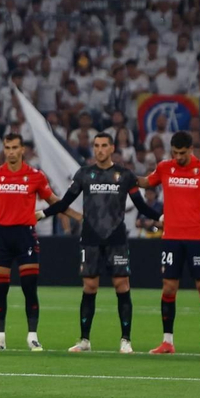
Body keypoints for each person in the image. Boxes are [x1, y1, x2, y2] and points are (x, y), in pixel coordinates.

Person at [41, 132, 153, 353]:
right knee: (89, 287)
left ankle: (126, 340)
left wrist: (159, 218)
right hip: (90, 237)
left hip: (117, 238)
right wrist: (43, 213)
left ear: (112, 148)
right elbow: (64, 202)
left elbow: (139, 204)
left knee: (122, 286)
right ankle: (84, 340)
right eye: (96, 145)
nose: (100, 149)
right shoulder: (84, 174)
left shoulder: (124, 175)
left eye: (104, 145)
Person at [0, 134, 56, 351]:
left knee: (29, 288)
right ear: (4, 150)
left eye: (15, 147)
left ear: (22, 149)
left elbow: (52, 200)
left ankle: (32, 336)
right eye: (7, 147)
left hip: (25, 236)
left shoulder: (35, 176)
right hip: (1, 235)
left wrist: (72, 213)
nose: (11, 151)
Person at [141, 131, 200, 355]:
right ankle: (167, 341)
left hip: (198, 237)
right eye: (175, 153)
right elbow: (147, 182)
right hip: (171, 238)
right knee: (169, 287)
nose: (178, 157)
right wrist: (122, 175)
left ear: (191, 150)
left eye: (182, 153)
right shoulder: (164, 167)